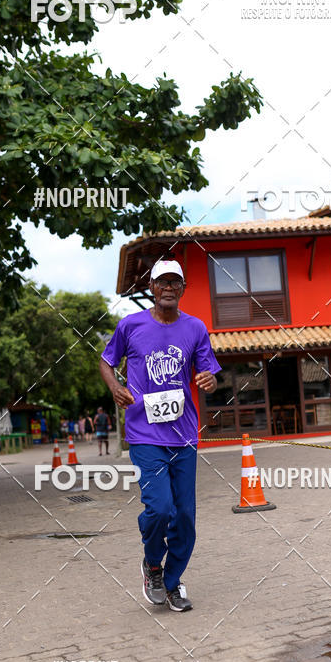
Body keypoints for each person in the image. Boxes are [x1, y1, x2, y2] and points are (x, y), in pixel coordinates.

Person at [100, 259, 220, 613]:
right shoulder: (130, 325)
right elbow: (106, 362)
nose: (169, 287)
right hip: (144, 433)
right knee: (159, 508)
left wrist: (210, 381)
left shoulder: (195, 327)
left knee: (185, 517)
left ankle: (171, 582)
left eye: (175, 282)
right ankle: (153, 564)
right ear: (151, 287)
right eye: (162, 282)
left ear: (183, 288)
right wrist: (115, 387)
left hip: (184, 436)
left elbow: (209, 373)